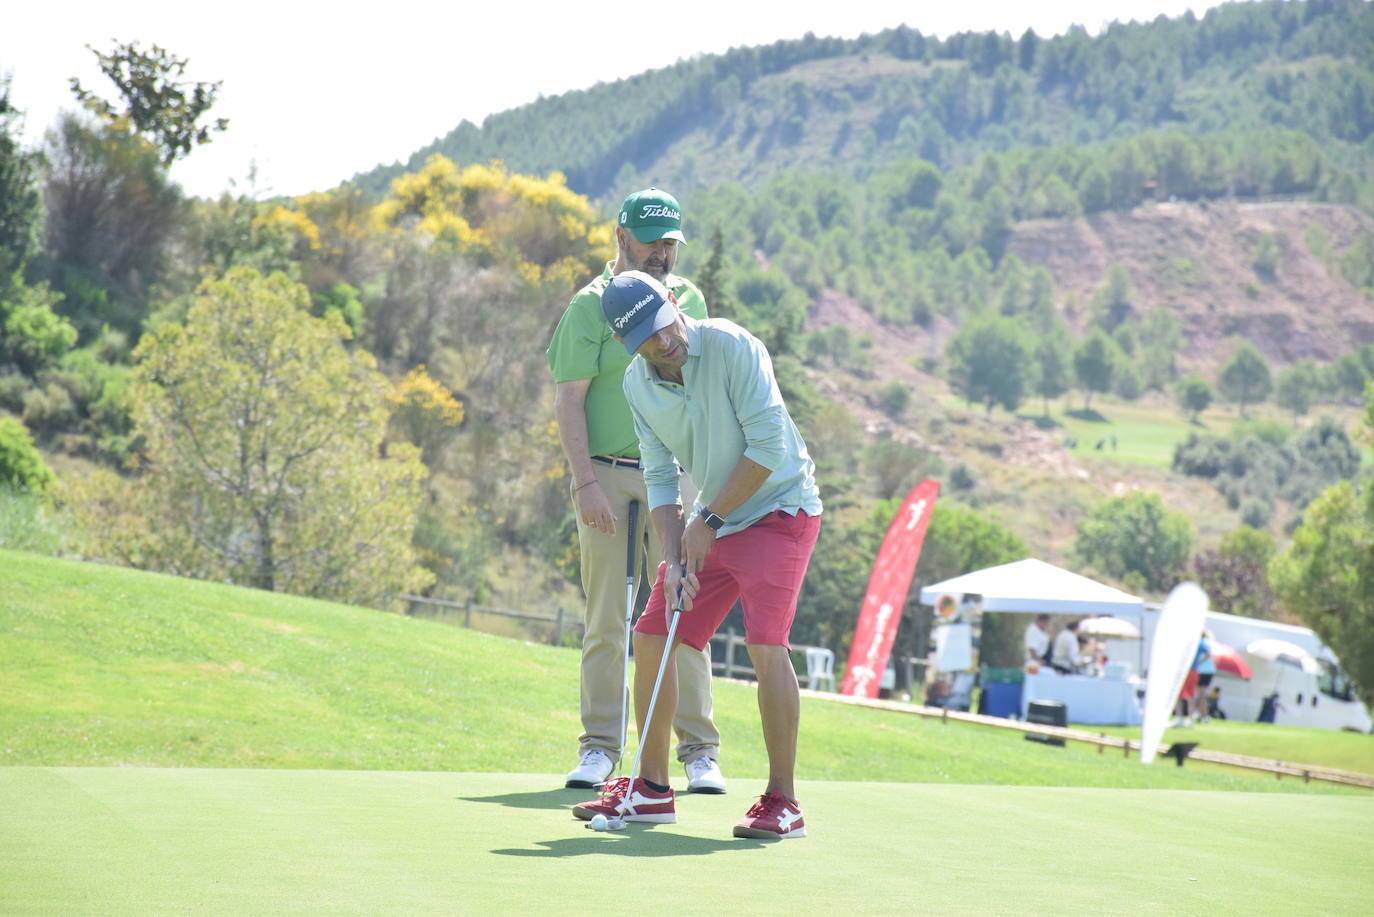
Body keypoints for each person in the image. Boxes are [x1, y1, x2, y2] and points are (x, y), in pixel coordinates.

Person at [573, 271, 822, 839]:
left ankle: (783, 802)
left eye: (665, 322)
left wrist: (705, 522)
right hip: (714, 516)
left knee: (765, 645)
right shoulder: (639, 385)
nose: (665, 340)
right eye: (647, 337)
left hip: (781, 510)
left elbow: (768, 446)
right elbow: (660, 477)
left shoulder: (733, 346)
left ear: (673, 303)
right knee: (654, 633)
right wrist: (676, 557)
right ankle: (653, 789)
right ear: (625, 344)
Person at [546, 188, 725, 794]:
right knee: (607, 617)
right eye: (653, 242)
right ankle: (599, 748)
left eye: (671, 243)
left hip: (674, 477)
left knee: (683, 609)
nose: (663, 254)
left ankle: (699, 752)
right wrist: (585, 483)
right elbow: (569, 399)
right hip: (605, 475)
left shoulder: (690, 300)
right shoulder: (588, 306)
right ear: (622, 237)